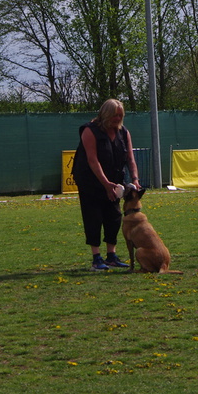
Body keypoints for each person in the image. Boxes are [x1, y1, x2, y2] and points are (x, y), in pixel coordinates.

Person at [71, 99, 142, 270]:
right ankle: (96, 258)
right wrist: (105, 183)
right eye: (114, 115)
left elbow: (130, 158)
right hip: (90, 181)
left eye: (120, 115)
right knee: (93, 217)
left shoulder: (123, 132)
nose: (117, 119)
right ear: (105, 114)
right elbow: (92, 160)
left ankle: (112, 256)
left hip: (114, 180)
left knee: (114, 216)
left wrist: (135, 179)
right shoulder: (89, 130)